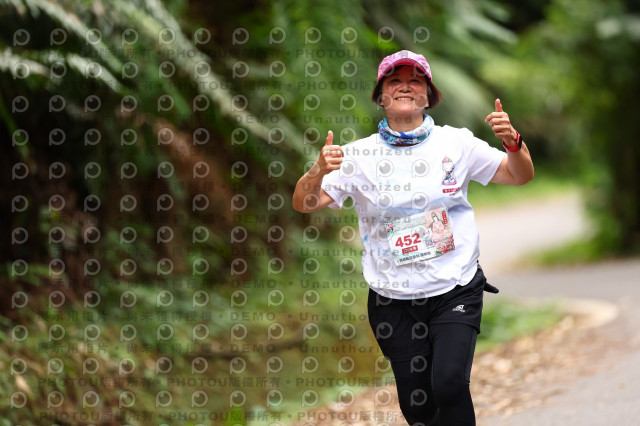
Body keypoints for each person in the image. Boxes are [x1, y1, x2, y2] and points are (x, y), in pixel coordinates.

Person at [292, 50, 533, 425]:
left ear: (428, 96)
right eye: (394, 80)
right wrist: (317, 170)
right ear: (381, 96)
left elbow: (519, 175)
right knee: (418, 407)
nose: (405, 86)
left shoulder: (457, 143)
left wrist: (513, 142)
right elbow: (305, 203)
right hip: (392, 298)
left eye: (415, 80)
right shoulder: (357, 155)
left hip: (454, 287)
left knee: (449, 384)